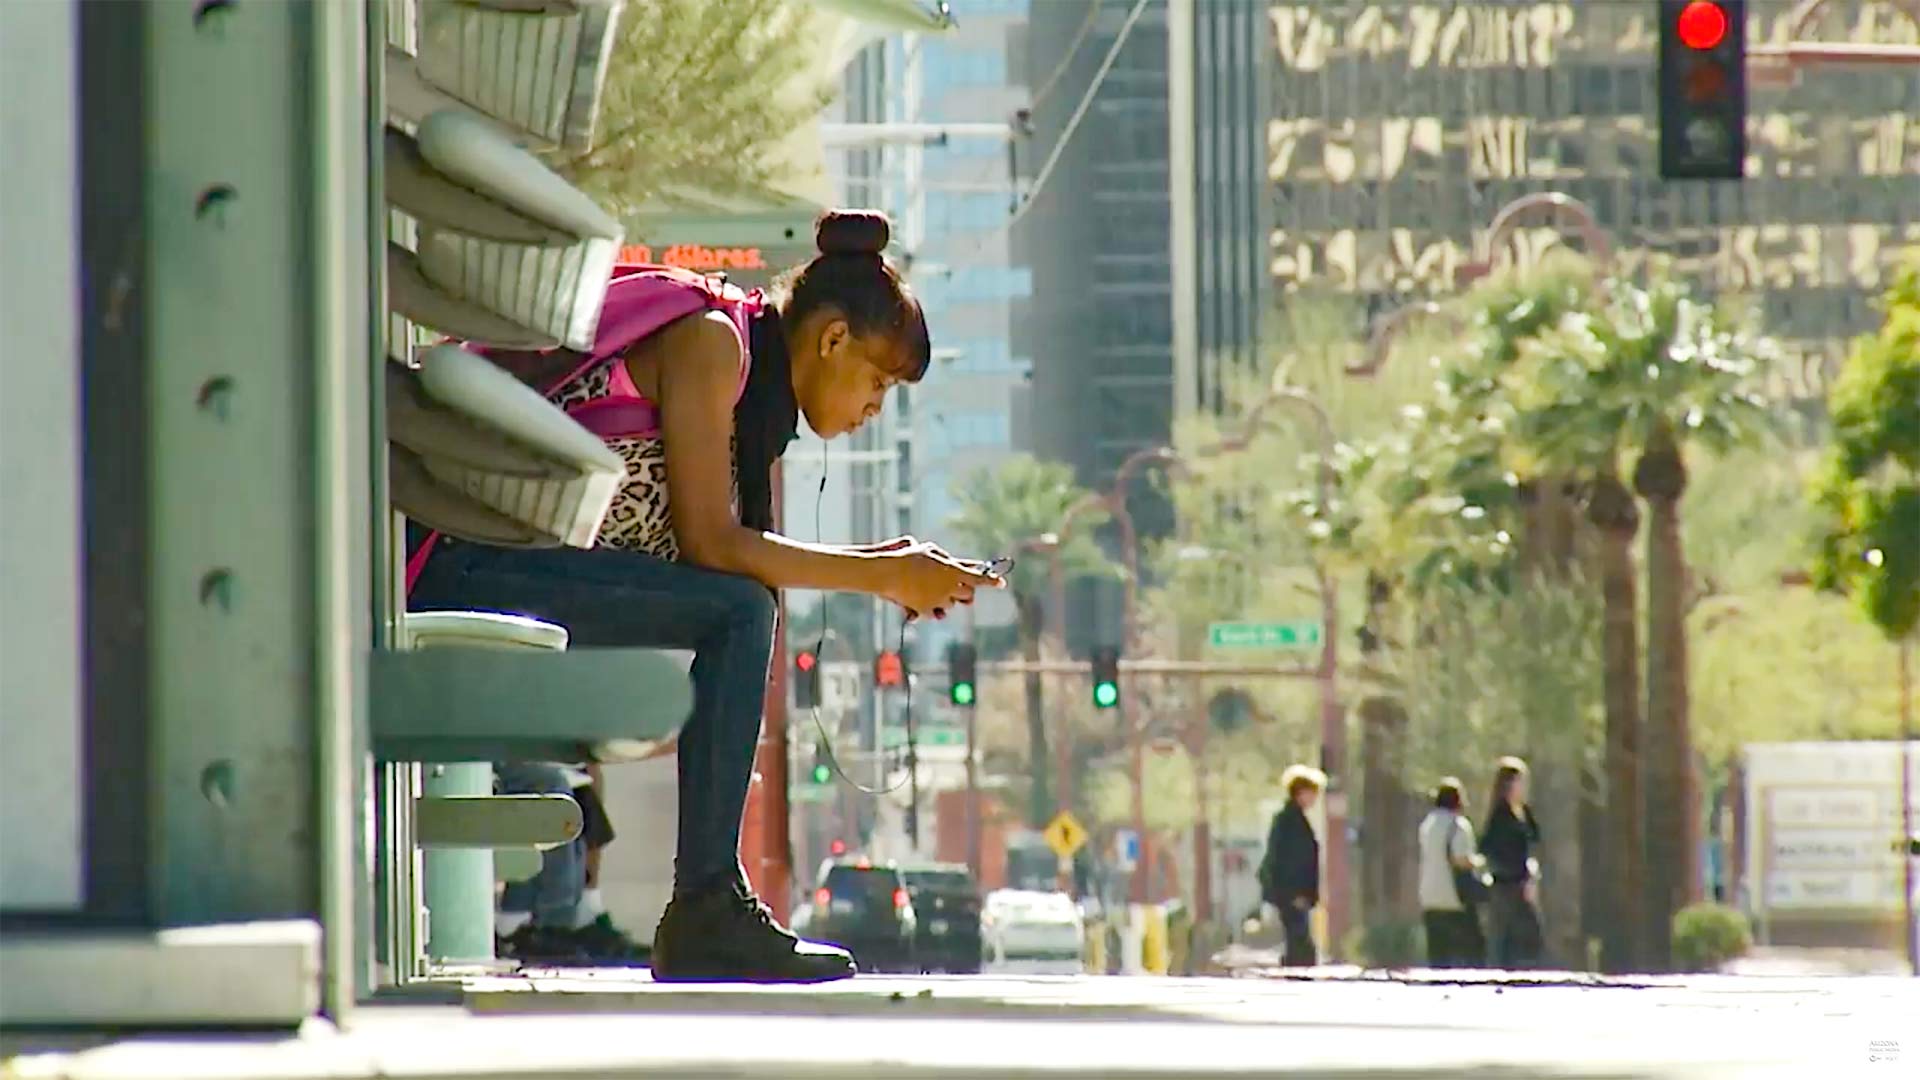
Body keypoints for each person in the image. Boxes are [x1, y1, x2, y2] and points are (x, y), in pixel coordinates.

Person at [409, 210, 1003, 983]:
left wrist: (884, 563)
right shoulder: (713, 344)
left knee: (741, 607)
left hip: (504, 568)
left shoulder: (749, 392)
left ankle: (708, 906)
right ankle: (705, 909)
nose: (871, 410)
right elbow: (712, 546)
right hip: (455, 560)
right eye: (878, 382)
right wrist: (882, 574)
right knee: (740, 608)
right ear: (831, 340)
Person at [1479, 756, 1544, 970]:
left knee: (1530, 937)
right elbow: (1488, 847)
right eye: (1520, 782)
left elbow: (1534, 838)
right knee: (1504, 940)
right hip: (1506, 885)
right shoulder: (1500, 816)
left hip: (1523, 883)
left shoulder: (1523, 812)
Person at [1258, 764, 1326, 968]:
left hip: (1296, 894)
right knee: (1299, 943)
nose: (1314, 798)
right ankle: (1294, 975)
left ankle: (1294, 972)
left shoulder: (1295, 820)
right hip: (1293, 894)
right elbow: (1287, 860)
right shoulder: (1289, 821)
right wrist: (1294, 892)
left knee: (1298, 941)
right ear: (1300, 792)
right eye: (1312, 793)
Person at [1417, 777, 1485, 968]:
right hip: (1454, 899)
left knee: (1437, 955)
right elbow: (1461, 860)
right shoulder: (1458, 826)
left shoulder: (1427, 825)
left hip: (1429, 897)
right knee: (1469, 953)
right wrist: (1479, 863)